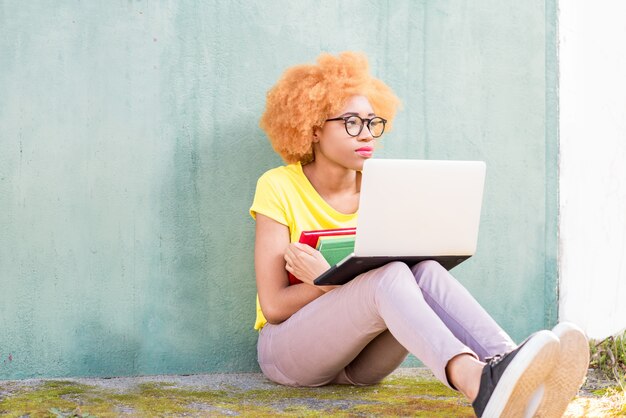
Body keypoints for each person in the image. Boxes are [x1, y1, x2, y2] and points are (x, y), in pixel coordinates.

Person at [249, 51, 589, 417]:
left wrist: (334, 278)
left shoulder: (384, 186)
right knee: (390, 275)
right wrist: (324, 284)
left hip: (361, 361)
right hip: (289, 352)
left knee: (424, 268)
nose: (367, 135)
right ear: (313, 128)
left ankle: (506, 365)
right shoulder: (279, 186)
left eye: (372, 123)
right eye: (351, 123)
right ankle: (476, 382)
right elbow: (274, 306)